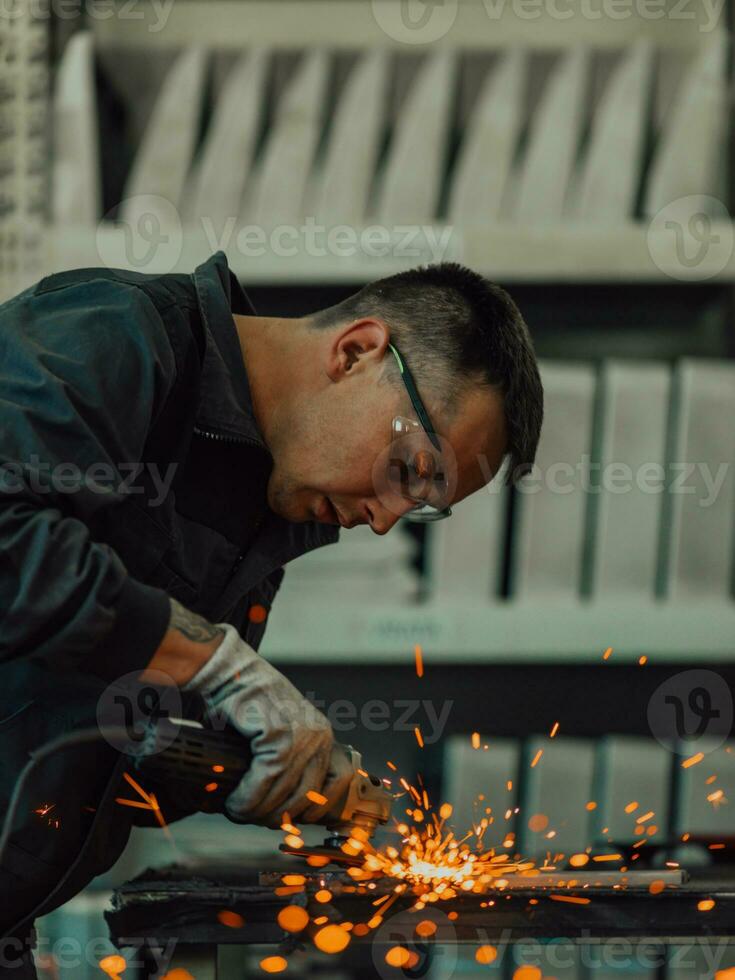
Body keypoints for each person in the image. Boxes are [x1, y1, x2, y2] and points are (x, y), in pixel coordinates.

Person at [0, 250, 542, 970]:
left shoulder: (263, 505)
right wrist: (217, 665)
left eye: (419, 507)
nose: (384, 521)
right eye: (411, 470)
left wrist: (250, 769)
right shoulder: (111, 334)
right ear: (356, 352)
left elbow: (97, 723)